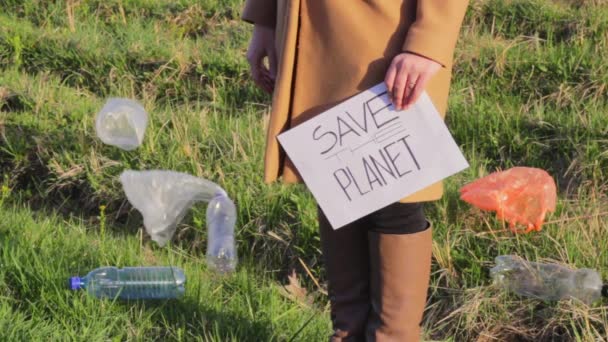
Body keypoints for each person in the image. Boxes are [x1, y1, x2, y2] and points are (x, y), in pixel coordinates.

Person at [241, 1, 469, 341]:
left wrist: (429, 41)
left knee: (396, 194)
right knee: (336, 179)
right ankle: (346, 333)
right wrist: (267, 18)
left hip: (387, 31)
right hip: (312, 29)